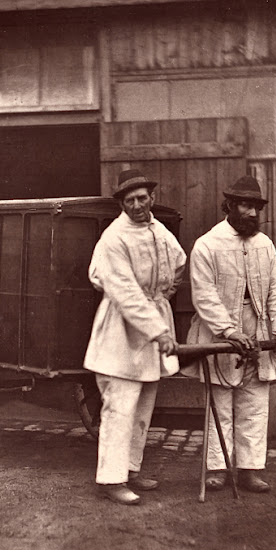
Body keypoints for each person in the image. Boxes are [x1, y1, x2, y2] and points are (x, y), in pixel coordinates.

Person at [84, 169, 186, 505]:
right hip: (120, 330)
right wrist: (159, 331)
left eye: (142, 198)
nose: (138, 205)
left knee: (143, 406)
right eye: (130, 201)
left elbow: (179, 262)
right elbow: (125, 293)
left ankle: (130, 469)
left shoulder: (160, 231)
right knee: (120, 406)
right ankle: (111, 480)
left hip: (151, 328)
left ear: (152, 198)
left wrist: (163, 295)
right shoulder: (114, 238)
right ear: (122, 204)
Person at [187, 175, 276, 493]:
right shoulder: (208, 245)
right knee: (220, 403)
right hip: (219, 329)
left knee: (255, 401)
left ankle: (250, 469)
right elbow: (204, 295)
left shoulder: (264, 245)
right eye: (246, 205)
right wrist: (228, 331)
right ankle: (217, 468)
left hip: (258, 327)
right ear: (230, 206)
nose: (252, 213)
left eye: (256, 207)